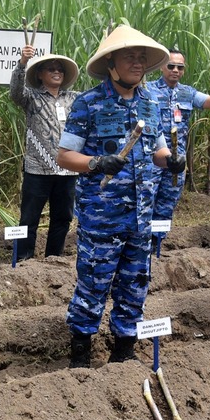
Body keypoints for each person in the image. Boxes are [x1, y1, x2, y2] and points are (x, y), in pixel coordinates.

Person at [57, 24, 182, 367]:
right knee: (93, 282)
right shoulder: (88, 104)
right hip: (101, 218)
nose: (138, 63)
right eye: (130, 57)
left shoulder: (151, 102)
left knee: (135, 282)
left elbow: (158, 149)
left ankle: (124, 350)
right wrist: (96, 162)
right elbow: (64, 157)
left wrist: (171, 160)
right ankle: (81, 351)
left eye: (142, 57)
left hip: (141, 217)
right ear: (111, 63)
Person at [10, 44, 80, 260]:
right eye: (51, 69)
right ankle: (24, 260)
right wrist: (22, 63)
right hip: (38, 169)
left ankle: (53, 258)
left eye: (60, 69)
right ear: (40, 74)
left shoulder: (74, 99)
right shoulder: (32, 98)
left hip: (67, 170)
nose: (56, 72)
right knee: (29, 218)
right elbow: (15, 92)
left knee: (63, 218)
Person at [147, 47, 210, 230]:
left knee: (167, 205)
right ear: (162, 67)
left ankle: (158, 241)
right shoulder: (147, 90)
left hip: (176, 161)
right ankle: (142, 242)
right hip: (152, 159)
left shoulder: (187, 93)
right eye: (171, 66)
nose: (175, 70)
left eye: (180, 67)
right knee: (145, 202)